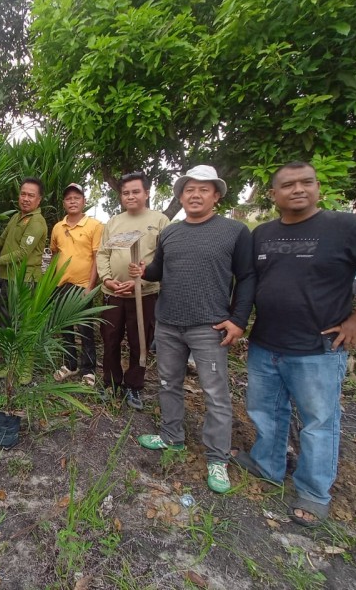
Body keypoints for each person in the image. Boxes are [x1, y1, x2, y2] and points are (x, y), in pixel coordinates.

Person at [236, 161, 356, 525]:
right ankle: (267, 463)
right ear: (273, 195)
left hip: (318, 348)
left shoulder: (344, 227)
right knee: (265, 410)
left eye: (306, 182)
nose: (298, 189)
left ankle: (314, 492)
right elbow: (252, 280)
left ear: (317, 188)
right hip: (266, 341)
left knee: (318, 421)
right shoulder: (263, 233)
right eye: (288, 185)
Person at [134, 165, 255, 494]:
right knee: (167, 383)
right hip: (169, 322)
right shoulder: (170, 232)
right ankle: (171, 436)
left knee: (215, 394)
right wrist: (144, 270)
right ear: (180, 195)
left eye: (204, 189)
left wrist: (239, 319)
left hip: (209, 325)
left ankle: (217, 458)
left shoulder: (234, 231)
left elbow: (246, 278)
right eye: (189, 189)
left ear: (216, 195)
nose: (196, 194)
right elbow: (160, 269)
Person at [95, 171, 169, 409]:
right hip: (113, 294)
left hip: (143, 295)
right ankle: (111, 383)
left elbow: (165, 259)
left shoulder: (160, 221)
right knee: (110, 340)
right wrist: (107, 280)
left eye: (136, 191)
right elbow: (103, 253)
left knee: (140, 342)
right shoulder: (114, 222)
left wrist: (143, 282)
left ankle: (134, 387)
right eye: (125, 193)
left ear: (146, 193)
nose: (130, 196)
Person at [49, 183, 103, 387]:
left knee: (85, 329)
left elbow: (97, 258)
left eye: (76, 198)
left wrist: (90, 287)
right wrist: (53, 282)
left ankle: (89, 369)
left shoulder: (94, 226)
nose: (72, 201)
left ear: (84, 201)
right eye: (69, 198)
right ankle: (70, 365)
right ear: (64, 203)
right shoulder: (57, 227)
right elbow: (54, 254)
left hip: (83, 286)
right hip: (62, 285)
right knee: (66, 328)